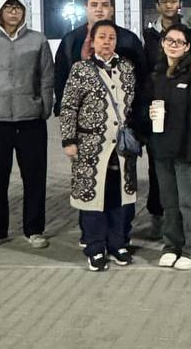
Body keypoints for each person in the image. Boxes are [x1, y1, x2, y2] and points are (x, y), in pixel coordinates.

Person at [0, 0, 54, 252]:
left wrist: (44, 108)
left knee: (34, 178)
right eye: (8, 7)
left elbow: (46, 77)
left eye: (18, 7)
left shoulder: (38, 41)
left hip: (30, 120)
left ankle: (34, 229)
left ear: (24, 11)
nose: (14, 12)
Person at [59, 20, 139, 271]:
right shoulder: (80, 69)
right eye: (102, 37)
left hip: (122, 148)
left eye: (111, 37)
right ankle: (95, 247)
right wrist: (69, 141)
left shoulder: (126, 67)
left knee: (120, 197)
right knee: (93, 198)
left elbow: (134, 104)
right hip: (91, 147)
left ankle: (118, 243)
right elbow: (69, 107)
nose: (107, 42)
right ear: (92, 42)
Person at [142, 23, 191, 270]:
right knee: (169, 202)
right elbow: (145, 105)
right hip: (162, 149)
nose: (173, 45)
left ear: (187, 47)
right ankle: (172, 245)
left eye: (179, 42)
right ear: (162, 43)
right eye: (169, 40)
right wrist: (148, 114)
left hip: (186, 151)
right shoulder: (158, 73)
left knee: (189, 202)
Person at [139, 0, 191, 236]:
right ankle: (157, 215)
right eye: (163, 1)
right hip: (157, 108)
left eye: (173, 0)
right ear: (157, 6)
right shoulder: (148, 37)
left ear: (180, 4)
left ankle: (184, 224)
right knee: (157, 169)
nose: (169, 5)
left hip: (182, 108)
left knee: (183, 173)